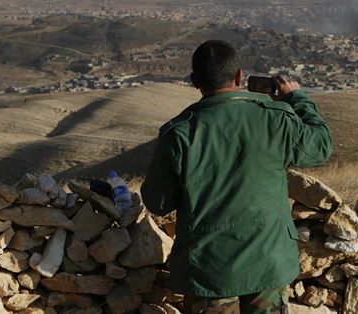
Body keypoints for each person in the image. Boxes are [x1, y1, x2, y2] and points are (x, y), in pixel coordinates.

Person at [141, 40, 334, 314]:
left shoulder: (180, 133)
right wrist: (297, 98)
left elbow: (158, 203)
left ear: (195, 81)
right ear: (239, 76)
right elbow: (321, 145)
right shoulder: (275, 118)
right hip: (267, 264)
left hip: (210, 272)